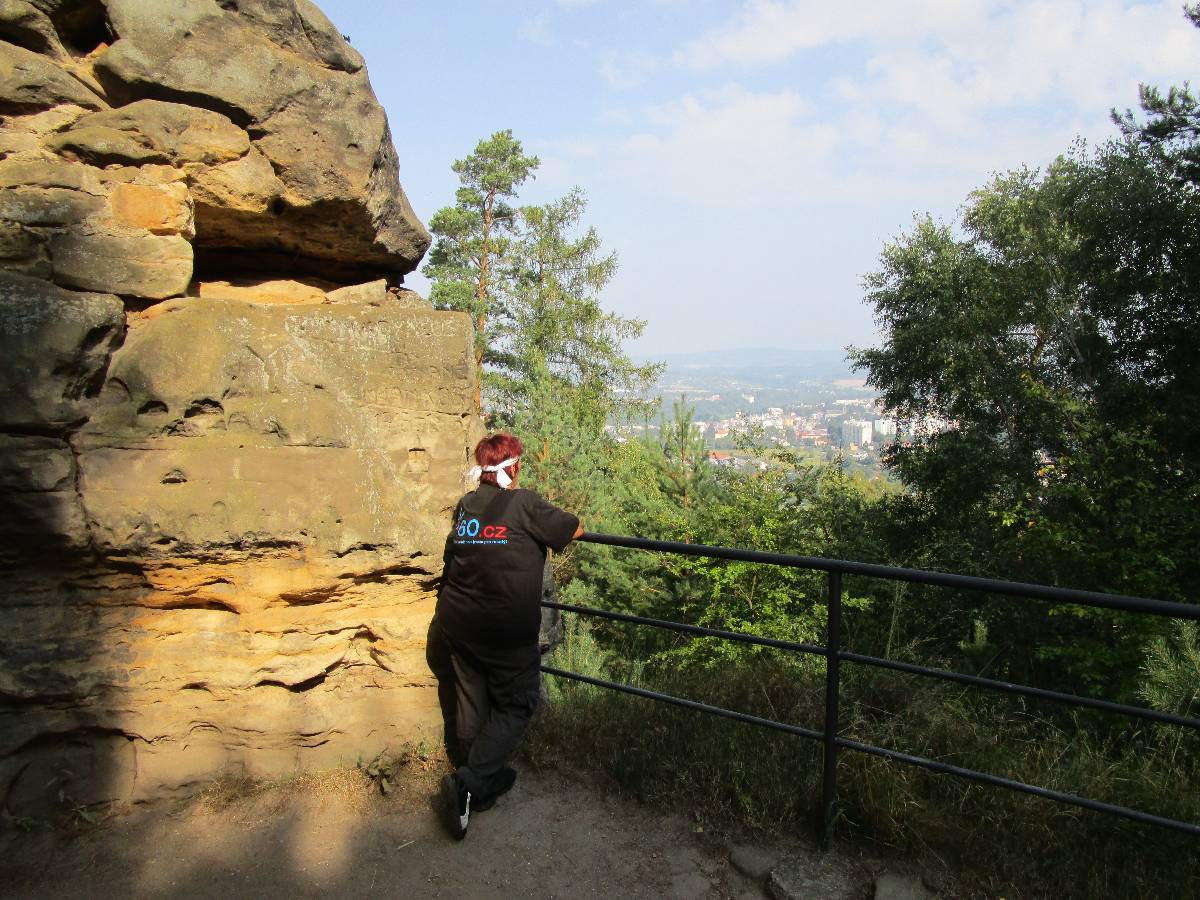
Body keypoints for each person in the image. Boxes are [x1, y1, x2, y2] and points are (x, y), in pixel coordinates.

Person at [432, 432, 583, 840]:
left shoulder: (467, 505)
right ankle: (469, 780)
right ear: (513, 467)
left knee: (470, 698)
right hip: (504, 631)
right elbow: (573, 528)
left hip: (457, 623)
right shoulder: (524, 503)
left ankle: (477, 788)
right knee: (519, 701)